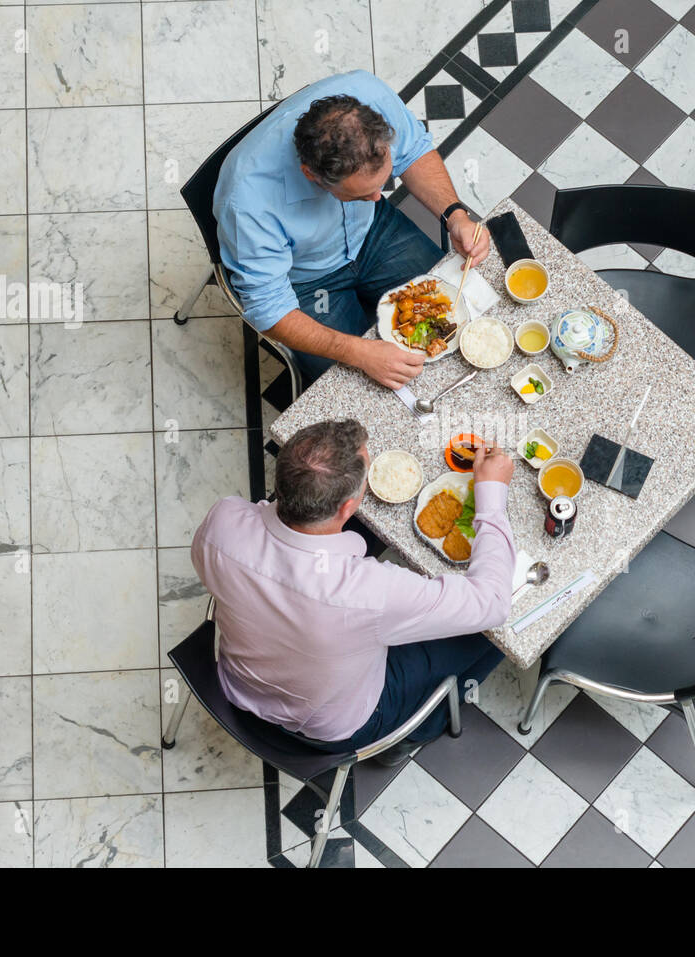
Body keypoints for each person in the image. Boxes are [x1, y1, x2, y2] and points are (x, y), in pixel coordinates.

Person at [191, 419, 514, 764]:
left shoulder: (222, 521)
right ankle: (409, 736)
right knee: (495, 635)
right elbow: (492, 602)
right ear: (347, 507)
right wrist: (491, 498)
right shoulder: (369, 592)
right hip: (336, 730)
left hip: (237, 684)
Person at [213, 71, 490, 389]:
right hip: (306, 283)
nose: (378, 197)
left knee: (464, 316)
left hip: (375, 231)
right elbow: (268, 308)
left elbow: (414, 153)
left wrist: (455, 215)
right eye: (361, 194)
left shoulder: (369, 96)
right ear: (311, 174)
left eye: (382, 184)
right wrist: (360, 352)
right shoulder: (247, 202)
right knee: (361, 389)